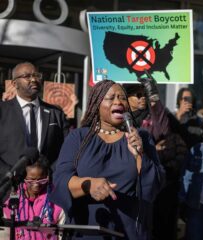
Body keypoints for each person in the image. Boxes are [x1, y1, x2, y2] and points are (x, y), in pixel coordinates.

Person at [50, 80, 165, 240]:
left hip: (130, 231)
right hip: (87, 231)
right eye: (111, 98)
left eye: (122, 98)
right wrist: (88, 185)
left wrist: (139, 154)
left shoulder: (142, 137)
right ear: (97, 103)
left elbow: (153, 186)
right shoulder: (78, 137)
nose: (118, 101)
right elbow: (60, 180)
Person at [125, 77, 187, 240]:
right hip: (127, 184)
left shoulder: (155, 118)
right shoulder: (120, 119)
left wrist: (154, 97)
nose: (142, 98)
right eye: (137, 95)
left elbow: (161, 127)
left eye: (144, 94)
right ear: (127, 98)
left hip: (154, 184)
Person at [0, 62, 69, 177]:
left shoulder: (56, 112)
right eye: (27, 76)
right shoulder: (3, 110)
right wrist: (11, 173)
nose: (33, 80)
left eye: (36, 75)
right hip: (10, 185)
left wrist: (49, 172)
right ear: (14, 83)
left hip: (46, 184)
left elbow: (67, 148)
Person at [3, 154, 65, 240]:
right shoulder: (12, 202)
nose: (36, 184)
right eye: (31, 180)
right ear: (23, 177)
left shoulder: (56, 202)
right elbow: (5, 235)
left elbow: (61, 235)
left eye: (42, 180)